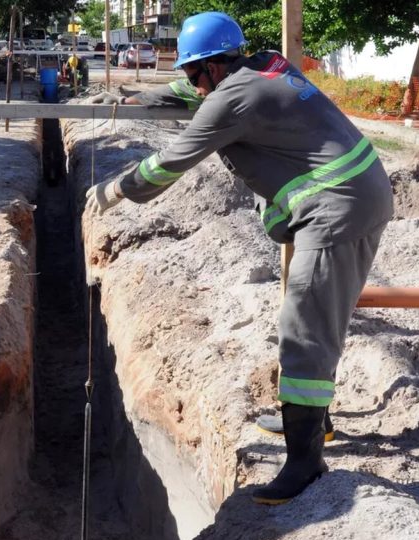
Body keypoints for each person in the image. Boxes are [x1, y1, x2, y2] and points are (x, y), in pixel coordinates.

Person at [86, 11, 394, 505]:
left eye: (192, 73)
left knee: (304, 326)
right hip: (356, 191)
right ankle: (316, 422)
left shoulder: (234, 98)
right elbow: (203, 100)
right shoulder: (265, 67)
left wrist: (116, 189)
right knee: (315, 316)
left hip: (338, 209)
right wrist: (142, 97)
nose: (192, 84)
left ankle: (306, 462)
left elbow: (169, 163)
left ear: (211, 67)